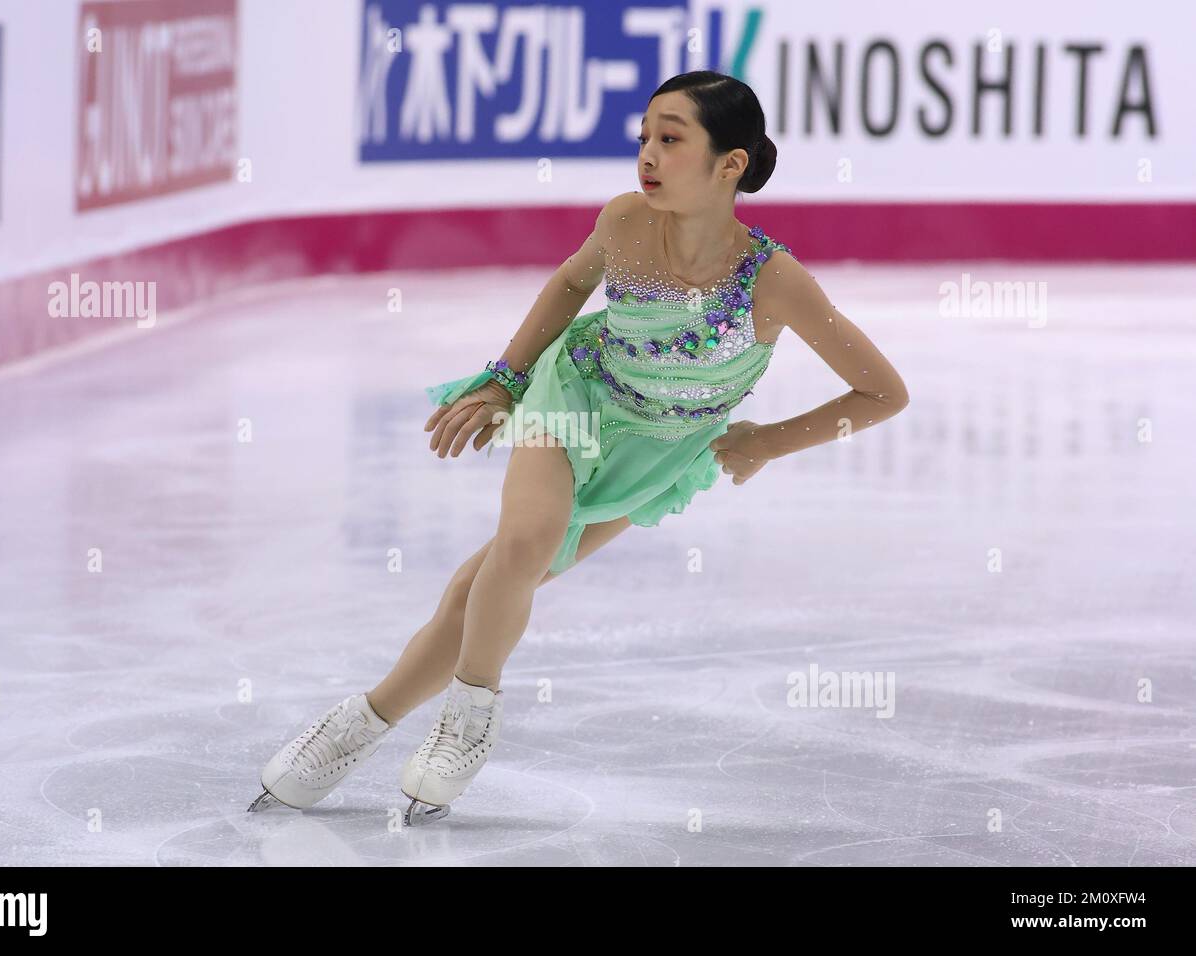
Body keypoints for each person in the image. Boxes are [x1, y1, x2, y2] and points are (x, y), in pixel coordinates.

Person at [249, 70, 910, 823]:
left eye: (671, 138)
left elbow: (883, 393)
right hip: (577, 395)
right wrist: (504, 380)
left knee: (482, 588)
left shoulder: (776, 282)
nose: (648, 155)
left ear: (731, 164)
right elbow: (569, 287)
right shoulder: (626, 223)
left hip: (658, 452)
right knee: (525, 543)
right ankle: (469, 720)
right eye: (644, 138)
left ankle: (361, 721)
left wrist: (765, 443)